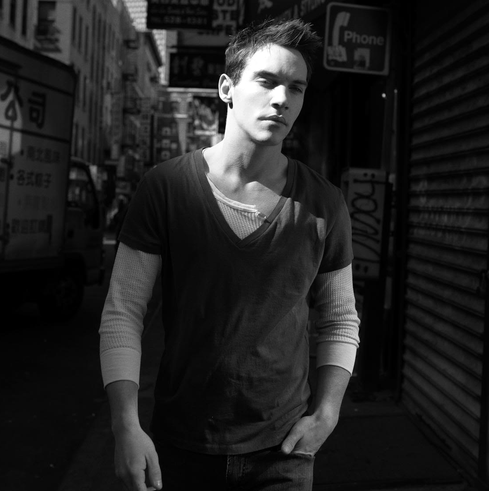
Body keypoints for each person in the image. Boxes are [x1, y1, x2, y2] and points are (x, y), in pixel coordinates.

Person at [99, 17, 360, 491]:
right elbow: (124, 312)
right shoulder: (167, 187)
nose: (281, 99)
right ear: (227, 88)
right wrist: (125, 426)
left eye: (296, 88)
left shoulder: (324, 204)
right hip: (181, 446)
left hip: (284, 455)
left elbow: (340, 317)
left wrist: (327, 413)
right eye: (267, 81)